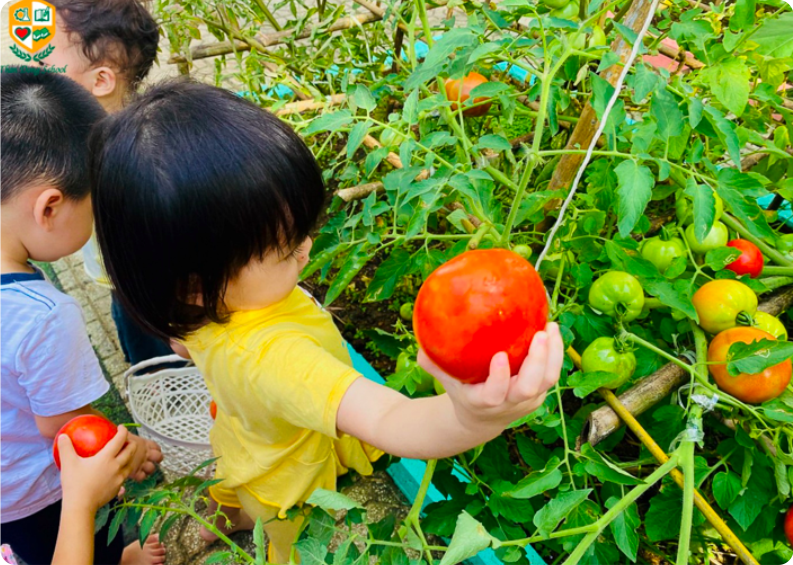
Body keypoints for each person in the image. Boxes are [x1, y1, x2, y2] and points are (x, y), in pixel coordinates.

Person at [90, 80, 565, 564]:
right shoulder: (277, 361)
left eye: (302, 231)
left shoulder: (194, 310)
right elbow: (389, 418)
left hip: (243, 438)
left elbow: (188, 347)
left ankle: (222, 515)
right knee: (286, 542)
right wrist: (474, 417)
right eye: (285, 247)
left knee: (235, 478)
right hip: (284, 487)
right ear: (197, 284)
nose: (307, 248)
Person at [0, 71, 164, 565]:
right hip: (38, 489)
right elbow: (68, 433)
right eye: (93, 210)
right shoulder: (45, 317)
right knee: (86, 532)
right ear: (50, 207)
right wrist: (130, 448)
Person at [39, 0, 171, 366]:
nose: (36, 71)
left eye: (46, 64)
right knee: (136, 345)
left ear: (100, 80)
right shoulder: (75, 129)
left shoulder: (131, 153)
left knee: (160, 364)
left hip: (151, 290)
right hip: (118, 284)